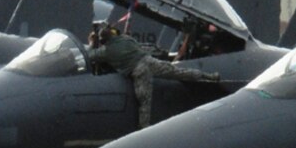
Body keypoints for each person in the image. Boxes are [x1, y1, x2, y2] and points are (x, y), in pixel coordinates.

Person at [86, 26, 220, 130]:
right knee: (180, 72)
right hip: (150, 61)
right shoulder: (126, 39)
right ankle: (209, 77)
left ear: (104, 41)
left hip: (139, 70)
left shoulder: (107, 51)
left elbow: (90, 56)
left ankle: (144, 130)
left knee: (144, 101)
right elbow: (132, 42)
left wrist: (92, 43)